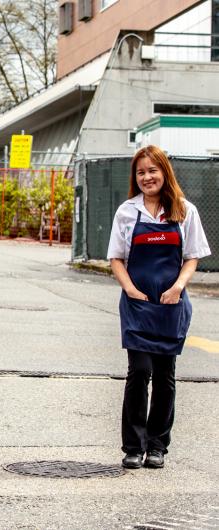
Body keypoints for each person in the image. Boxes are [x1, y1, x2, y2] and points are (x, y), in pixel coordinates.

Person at [107, 145, 210, 470]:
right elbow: (116, 258)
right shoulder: (127, 212)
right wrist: (130, 289)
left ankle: (157, 446)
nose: (147, 177)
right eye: (141, 172)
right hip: (137, 304)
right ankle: (133, 447)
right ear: (135, 178)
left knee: (165, 374)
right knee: (139, 371)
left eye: (152, 170)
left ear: (164, 172)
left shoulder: (184, 210)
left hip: (171, 305)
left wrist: (178, 287)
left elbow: (192, 257)